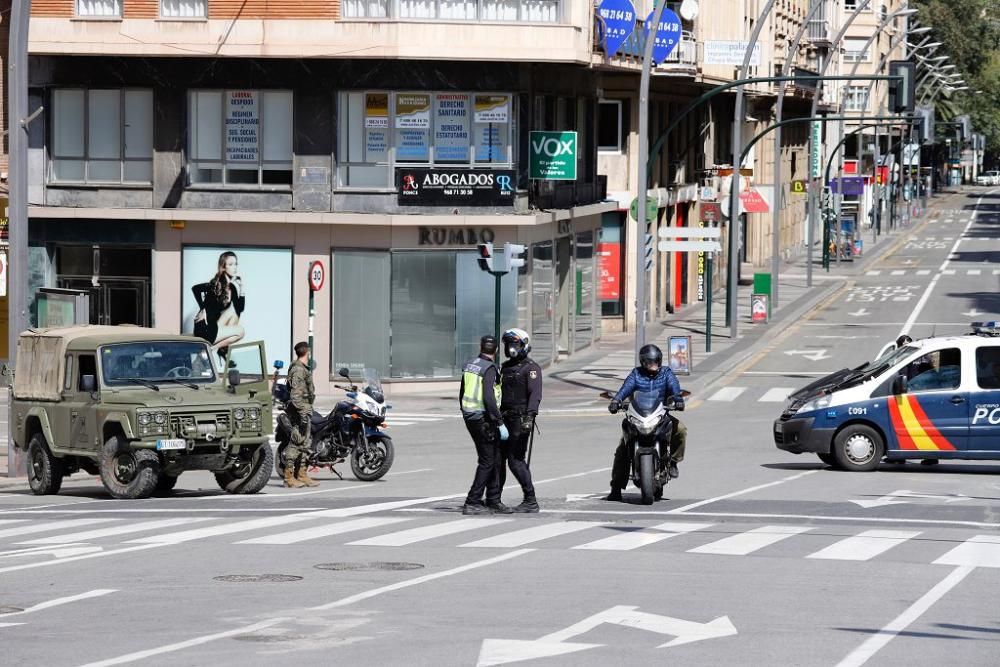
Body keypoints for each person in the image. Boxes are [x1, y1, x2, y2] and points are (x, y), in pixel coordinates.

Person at [605, 343, 687, 502]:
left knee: (681, 430)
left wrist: (678, 399)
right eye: (650, 362)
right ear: (643, 362)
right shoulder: (636, 374)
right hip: (638, 416)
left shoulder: (666, 373)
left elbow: (674, 387)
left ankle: (674, 462)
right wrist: (616, 400)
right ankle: (616, 487)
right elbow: (626, 387)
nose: (654, 365)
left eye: (656, 361)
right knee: (622, 450)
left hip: (660, 414)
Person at [460, 335, 512, 515]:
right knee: (488, 461)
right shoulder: (489, 368)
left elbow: (462, 392)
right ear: (496, 350)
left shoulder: (470, 365)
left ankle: (493, 499)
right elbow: (489, 398)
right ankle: (472, 501)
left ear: (480, 346)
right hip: (483, 418)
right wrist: (499, 422)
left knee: (494, 457)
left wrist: (465, 411)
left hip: (470, 415)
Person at [498, 328, 541, 513]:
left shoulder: (531, 368)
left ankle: (530, 499)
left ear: (523, 345)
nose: (510, 348)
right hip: (503, 418)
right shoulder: (505, 367)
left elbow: (535, 394)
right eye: (508, 344)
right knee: (497, 460)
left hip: (520, 418)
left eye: (514, 344)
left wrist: (529, 417)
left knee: (515, 460)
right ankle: (494, 499)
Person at [192, 251, 246, 362]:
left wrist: (242, 288)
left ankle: (213, 349)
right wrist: (203, 309)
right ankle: (212, 349)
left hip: (213, 326)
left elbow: (239, 308)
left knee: (234, 313)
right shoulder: (217, 283)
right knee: (241, 331)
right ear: (223, 267)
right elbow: (196, 289)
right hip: (205, 327)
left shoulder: (231, 288)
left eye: (235, 264)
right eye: (230, 264)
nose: (234, 267)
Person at [284, 341, 319, 488]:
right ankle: (289, 477)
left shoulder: (303, 368)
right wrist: (303, 413)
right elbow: (296, 396)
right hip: (299, 412)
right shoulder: (298, 370)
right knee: (296, 442)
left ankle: (302, 474)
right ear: (307, 352)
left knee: (305, 443)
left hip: (305, 409)